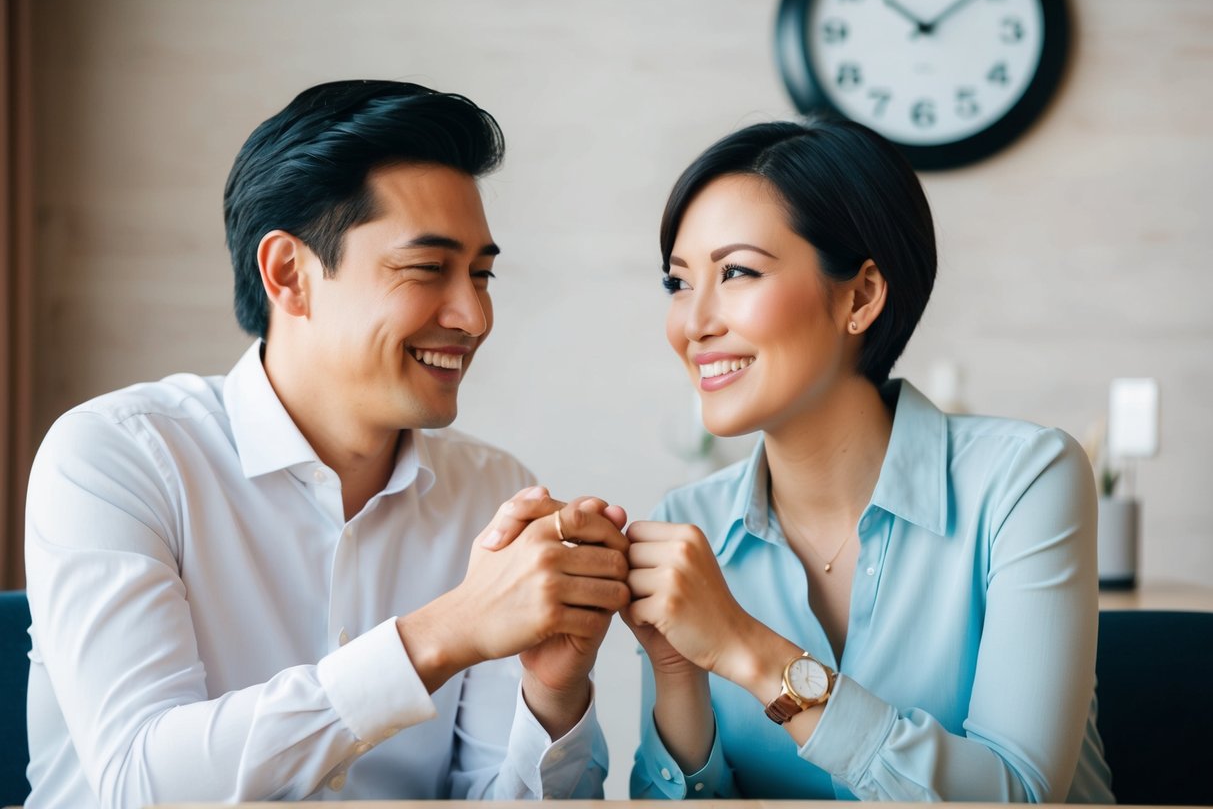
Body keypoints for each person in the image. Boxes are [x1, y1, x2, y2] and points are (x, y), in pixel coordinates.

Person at [24, 80, 632, 807]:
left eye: (481, 274)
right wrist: (446, 632)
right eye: (427, 269)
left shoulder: (491, 492)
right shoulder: (116, 458)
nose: (474, 316)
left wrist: (552, 695)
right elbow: (139, 783)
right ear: (289, 275)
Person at [624, 118, 1115, 802]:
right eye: (677, 283)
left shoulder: (1025, 480)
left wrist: (746, 649)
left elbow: (1017, 795)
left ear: (860, 296)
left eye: (736, 272)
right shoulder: (687, 523)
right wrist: (678, 671)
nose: (693, 323)